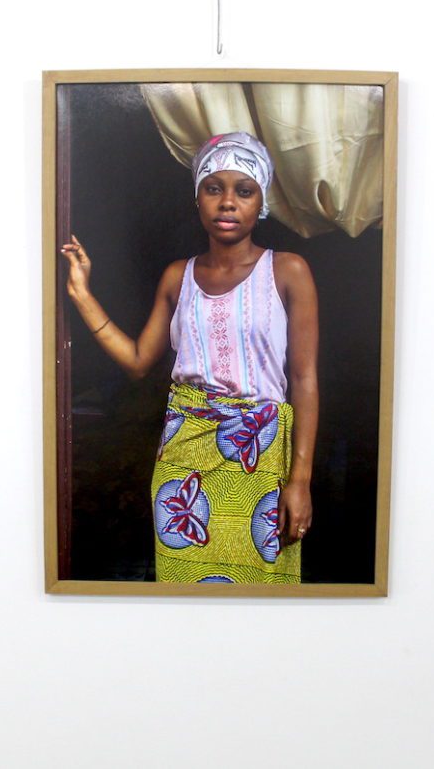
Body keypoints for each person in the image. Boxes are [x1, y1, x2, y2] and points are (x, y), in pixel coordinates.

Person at [61, 131, 319, 584]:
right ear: (197, 198)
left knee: (260, 597)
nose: (227, 202)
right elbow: (138, 361)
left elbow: (304, 380)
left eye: (244, 191)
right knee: (184, 595)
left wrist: (300, 480)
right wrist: (82, 294)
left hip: (260, 461)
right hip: (184, 462)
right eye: (213, 188)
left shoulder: (288, 270)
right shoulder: (177, 276)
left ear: (261, 201)